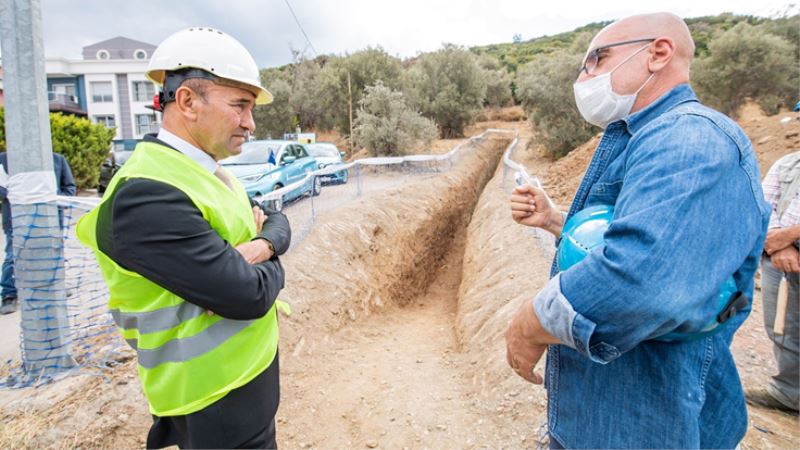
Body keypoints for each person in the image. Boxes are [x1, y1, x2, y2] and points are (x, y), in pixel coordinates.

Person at [505, 12, 770, 448]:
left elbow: (642, 278)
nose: (584, 75)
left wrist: (530, 322)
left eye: (597, 58)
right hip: (611, 416)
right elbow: (645, 240)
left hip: (647, 424)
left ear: (657, 53)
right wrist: (557, 222)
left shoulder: (690, 139)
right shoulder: (644, 136)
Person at [76, 27, 291, 449]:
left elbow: (277, 220)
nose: (250, 123)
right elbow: (249, 296)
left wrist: (264, 245)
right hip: (211, 399)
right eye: (240, 106)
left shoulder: (206, 171)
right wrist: (269, 252)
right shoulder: (147, 194)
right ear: (188, 102)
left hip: (245, 380)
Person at [745, 151, 800, 413]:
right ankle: (789, 392)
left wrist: (789, 237)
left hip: (785, 247)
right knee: (781, 327)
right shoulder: (787, 163)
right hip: (778, 258)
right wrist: (778, 245)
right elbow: (763, 204)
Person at [0, 151, 76, 314]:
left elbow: (69, 189)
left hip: (51, 218)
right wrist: (27, 198)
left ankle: (57, 285)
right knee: (13, 255)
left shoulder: (57, 160)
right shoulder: (5, 159)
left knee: (53, 252)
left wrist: (48, 200)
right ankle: (9, 295)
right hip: (15, 218)